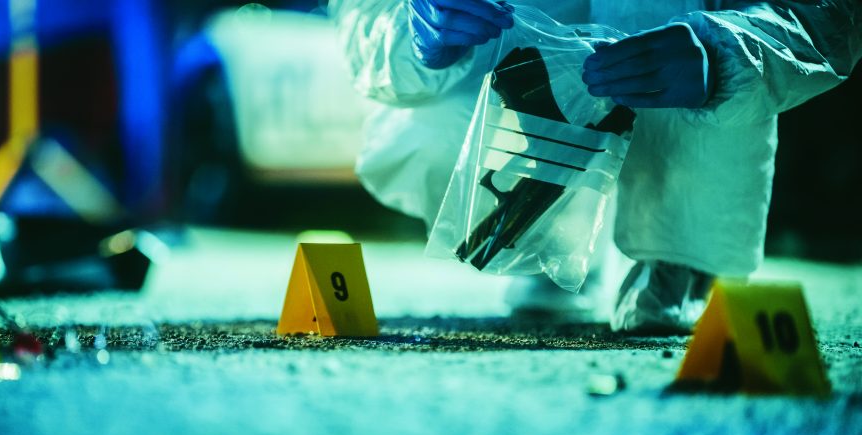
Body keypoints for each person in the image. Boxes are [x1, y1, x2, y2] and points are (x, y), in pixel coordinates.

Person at [329, 0, 862, 333]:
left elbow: (831, 13)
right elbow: (363, 14)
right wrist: (413, 25)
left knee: (675, 28)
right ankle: (546, 242)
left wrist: (722, 53)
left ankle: (679, 252)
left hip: (682, 72)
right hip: (503, 61)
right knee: (431, 123)